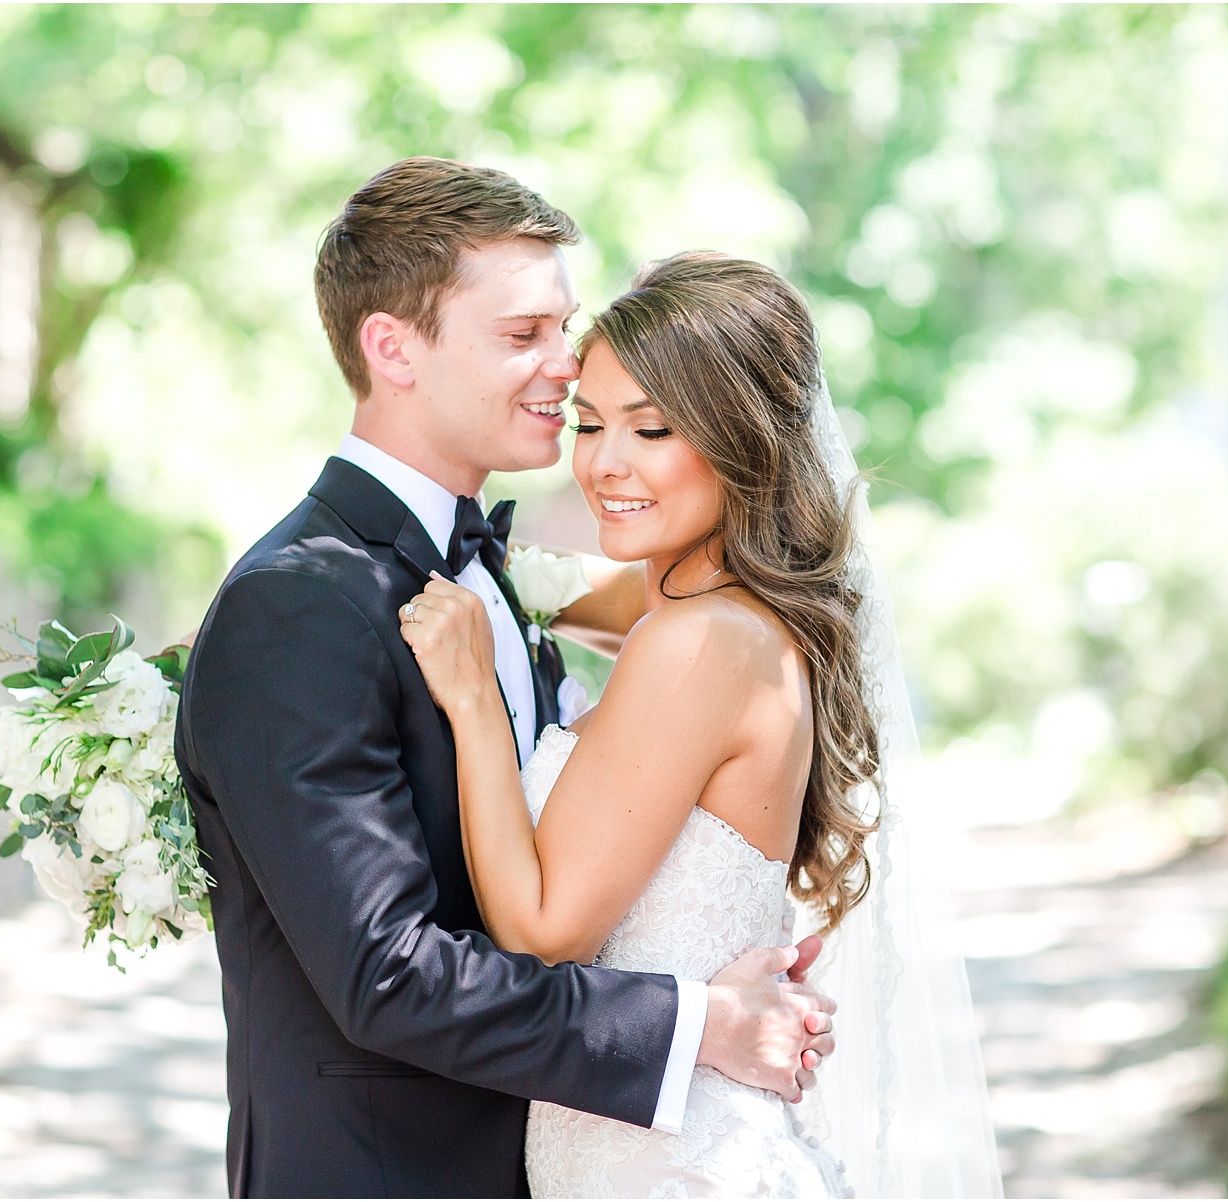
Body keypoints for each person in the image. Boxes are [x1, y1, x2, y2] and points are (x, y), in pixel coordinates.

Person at [175, 160, 836, 1199]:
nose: (566, 369)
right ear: (390, 347)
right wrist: (700, 1022)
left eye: (562, 330)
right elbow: (387, 972)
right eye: (522, 335)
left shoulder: (513, 567)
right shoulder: (298, 604)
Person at [398, 253, 1003, 1197]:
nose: (604, 462)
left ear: (739, 443)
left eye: (653, 429)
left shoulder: (695, 645)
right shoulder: (730, 620)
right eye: (589, 422)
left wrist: (476, 700)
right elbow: (586, 594)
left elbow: (543, 935)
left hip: (672, 1165)